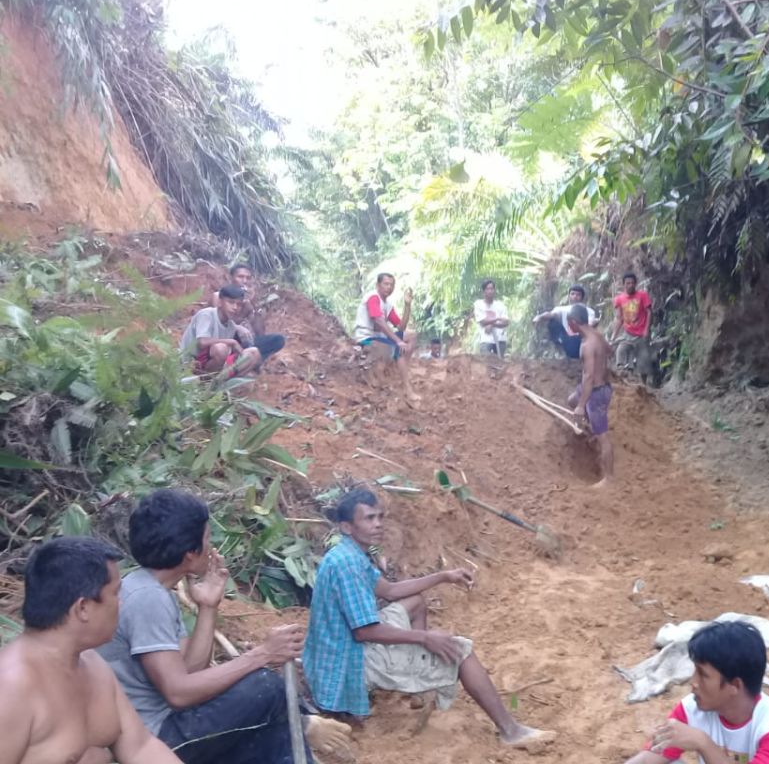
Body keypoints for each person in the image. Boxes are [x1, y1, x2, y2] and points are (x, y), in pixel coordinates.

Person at [303, 488, 555, 749]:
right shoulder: (347, 565)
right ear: (346, 527)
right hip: (348, 661)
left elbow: (390, 591)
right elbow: (364, 632)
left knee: (415, 603)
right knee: (461, 651)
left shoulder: (348, 554)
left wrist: (443, 576)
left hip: (334, 651)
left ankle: (417, 687)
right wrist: (425, 638)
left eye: (379, 517)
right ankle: (511, 732)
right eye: (368, 518)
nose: (378, 524)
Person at [96, 489, 321, 764]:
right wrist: (262, 654)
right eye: (207, 537)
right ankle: (302, 738)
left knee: (265, 725)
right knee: (266, 687)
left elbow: (190, 669)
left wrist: (207, 606)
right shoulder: (146, 598)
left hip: (165, 727)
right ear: (190, 553)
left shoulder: (152, 589)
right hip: (153, 739)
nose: (211, 544)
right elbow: (179, 693)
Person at [0, 537, 183, 764]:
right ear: (83, 608)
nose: (121, 604)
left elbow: (140, 747)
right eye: (115, 594)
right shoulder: (11, 687)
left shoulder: (93, 665)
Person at [624, 621, 769, 764]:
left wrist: (703, 743)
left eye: (703, 675)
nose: (693, 682)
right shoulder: (691, 708)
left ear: (734, 686)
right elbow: (650, 757)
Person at [353, 272, 420, 404]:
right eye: (386, 284)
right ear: (378, 285)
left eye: (391, 285)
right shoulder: (373, 297)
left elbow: (400, 326)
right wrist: (398, 341)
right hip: (367, 338)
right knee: (398, 349)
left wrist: (407, 306)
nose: (389, 287)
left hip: (380, 337)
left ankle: (402, 367)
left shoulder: (387, 304)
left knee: (411, 335)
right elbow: (378, 320)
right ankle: (408, 389)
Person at [566, 304, 614, 486]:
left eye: (569, 323)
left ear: (573, 322)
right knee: (572, 400)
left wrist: (581, 406)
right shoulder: (597, 335)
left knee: (603, 436)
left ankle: (609, 478)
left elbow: (589, 377)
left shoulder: (587, 345)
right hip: (598, 386)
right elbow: (609, 350)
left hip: (597, 392)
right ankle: (589, 426)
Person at [210, 263, 286, 365]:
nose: (244, 281)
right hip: (224, 340)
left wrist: (254, 307)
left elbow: (260, 333)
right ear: (230, 277)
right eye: (240, 277)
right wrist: (237, 326)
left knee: (278, 339)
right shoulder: (219, 297)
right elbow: (218, 324)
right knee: (240, 339)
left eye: (248, 278)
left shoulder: (247, 302)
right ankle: (246, 362)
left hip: (244, 342)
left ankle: (248, 361)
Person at [179, 286, 261, 380]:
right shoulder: (207, 315)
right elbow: (202, 342)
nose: (235, 307)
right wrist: (231, 342)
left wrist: (244, 357)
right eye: (231, 302)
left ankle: (221, 381)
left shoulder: (231, 326)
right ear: (220, 302)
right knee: (221, 348)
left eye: (239, 304)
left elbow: (229, 353)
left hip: (213, 364)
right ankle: (204, 382)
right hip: (191, 364)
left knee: (254, 352)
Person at [532, 284, 598, 359]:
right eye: (572, 294)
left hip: (579, 339)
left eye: (578, 295)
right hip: (566, 337)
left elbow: (590, 323)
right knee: (552, 322)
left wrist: (592, 324)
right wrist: (539, 317)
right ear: (569, 296)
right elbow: (551, 314)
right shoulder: (562, 309)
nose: (575, 296)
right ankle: (560, 350)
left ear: (582, 297)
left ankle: (580, 353)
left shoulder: (588, 311)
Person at [609, 272, 653, 377]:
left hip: (642, 333)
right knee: (620, 350)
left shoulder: (643, 295)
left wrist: (647, 329)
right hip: (628, 333)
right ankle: (623, 376)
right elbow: (619, 319)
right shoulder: (619, 299)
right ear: (623, 284)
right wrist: (613, 336)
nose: (630, 285)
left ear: (636, 284)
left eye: (632, 283)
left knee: (643, 361)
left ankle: (644, 383)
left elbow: (649, 312)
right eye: (627, 283)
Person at [473, 280, 510, 357]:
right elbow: (482, 321)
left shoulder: (500, 305)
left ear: (494, 290)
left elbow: (506, 322)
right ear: (484, 291)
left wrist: (491, 324)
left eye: (492, 288)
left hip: (500, 339)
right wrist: (497, 319)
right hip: (486, 339)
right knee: (485, 364)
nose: (490, 291)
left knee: (500, 364)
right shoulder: (478, 304)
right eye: (487, 289)